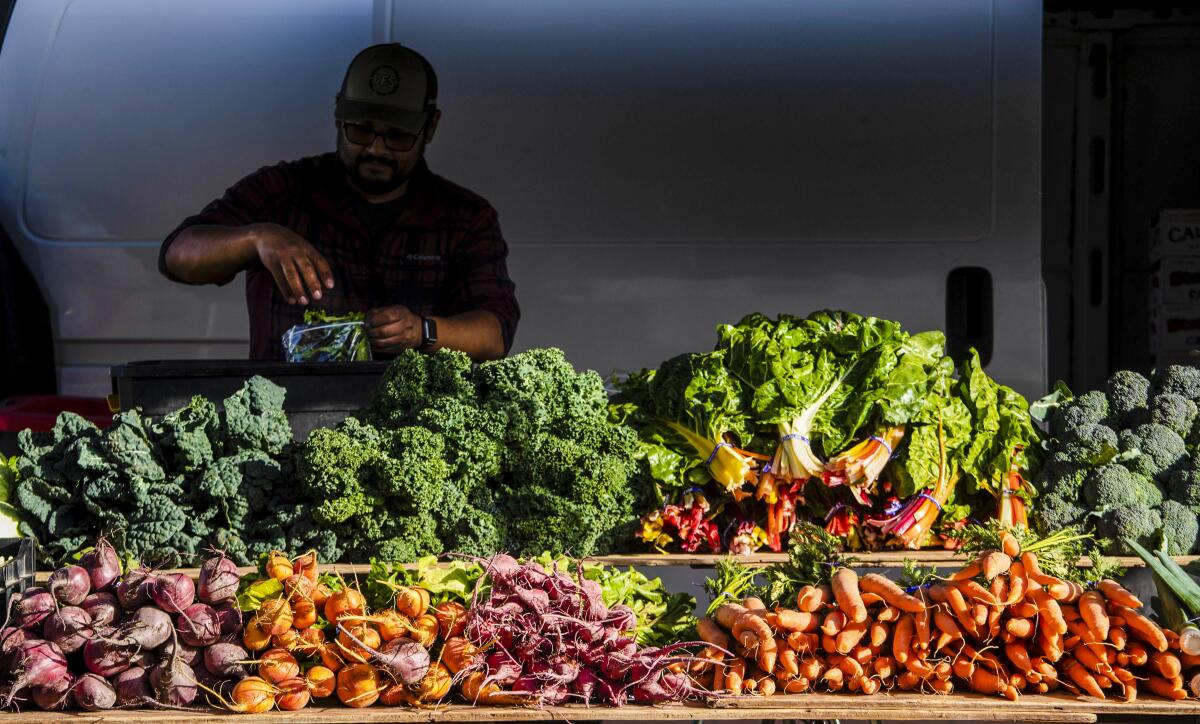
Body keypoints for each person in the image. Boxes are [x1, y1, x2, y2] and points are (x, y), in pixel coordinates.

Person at [159, 44, 519, 361]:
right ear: (338, 114)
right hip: (287, 420)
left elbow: (494, 333)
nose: (376, 149)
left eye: (397, 136)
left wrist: (421, 331)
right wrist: (257, 238)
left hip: (409, 423)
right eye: (360, 130)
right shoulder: (283, 191)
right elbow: (178, 256)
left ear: (431, 127)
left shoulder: (465, 218)